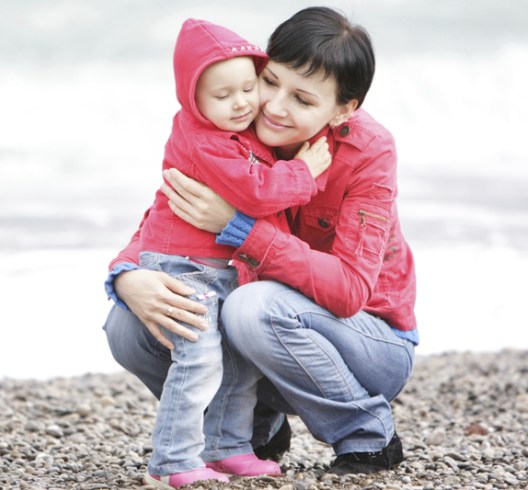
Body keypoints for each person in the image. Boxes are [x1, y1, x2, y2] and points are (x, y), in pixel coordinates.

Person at [105, 5, 418, 484]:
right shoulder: (233, 121)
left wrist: (239, 227)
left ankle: (366, 433)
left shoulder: (368, 152)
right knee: (131, 324)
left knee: (250, 306)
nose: (272, 106)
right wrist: (128, 275)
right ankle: (243, 432)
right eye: (269, 81)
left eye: (303, 100)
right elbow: (166, 213)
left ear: (344, 109)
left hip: (365, 343)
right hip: (264, 343)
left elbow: (351, 290)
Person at [126, 18, 332, 489]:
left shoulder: (238, 131)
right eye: (223, 95)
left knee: (236, 363)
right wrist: (303, 171)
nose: (241, 103)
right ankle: (171, 461)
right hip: (185, 268)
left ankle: (227, 448)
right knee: (198, 359)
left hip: (222, 267)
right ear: (192, 99)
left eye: (248, 86)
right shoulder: (204, 141)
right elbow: (257, 193)